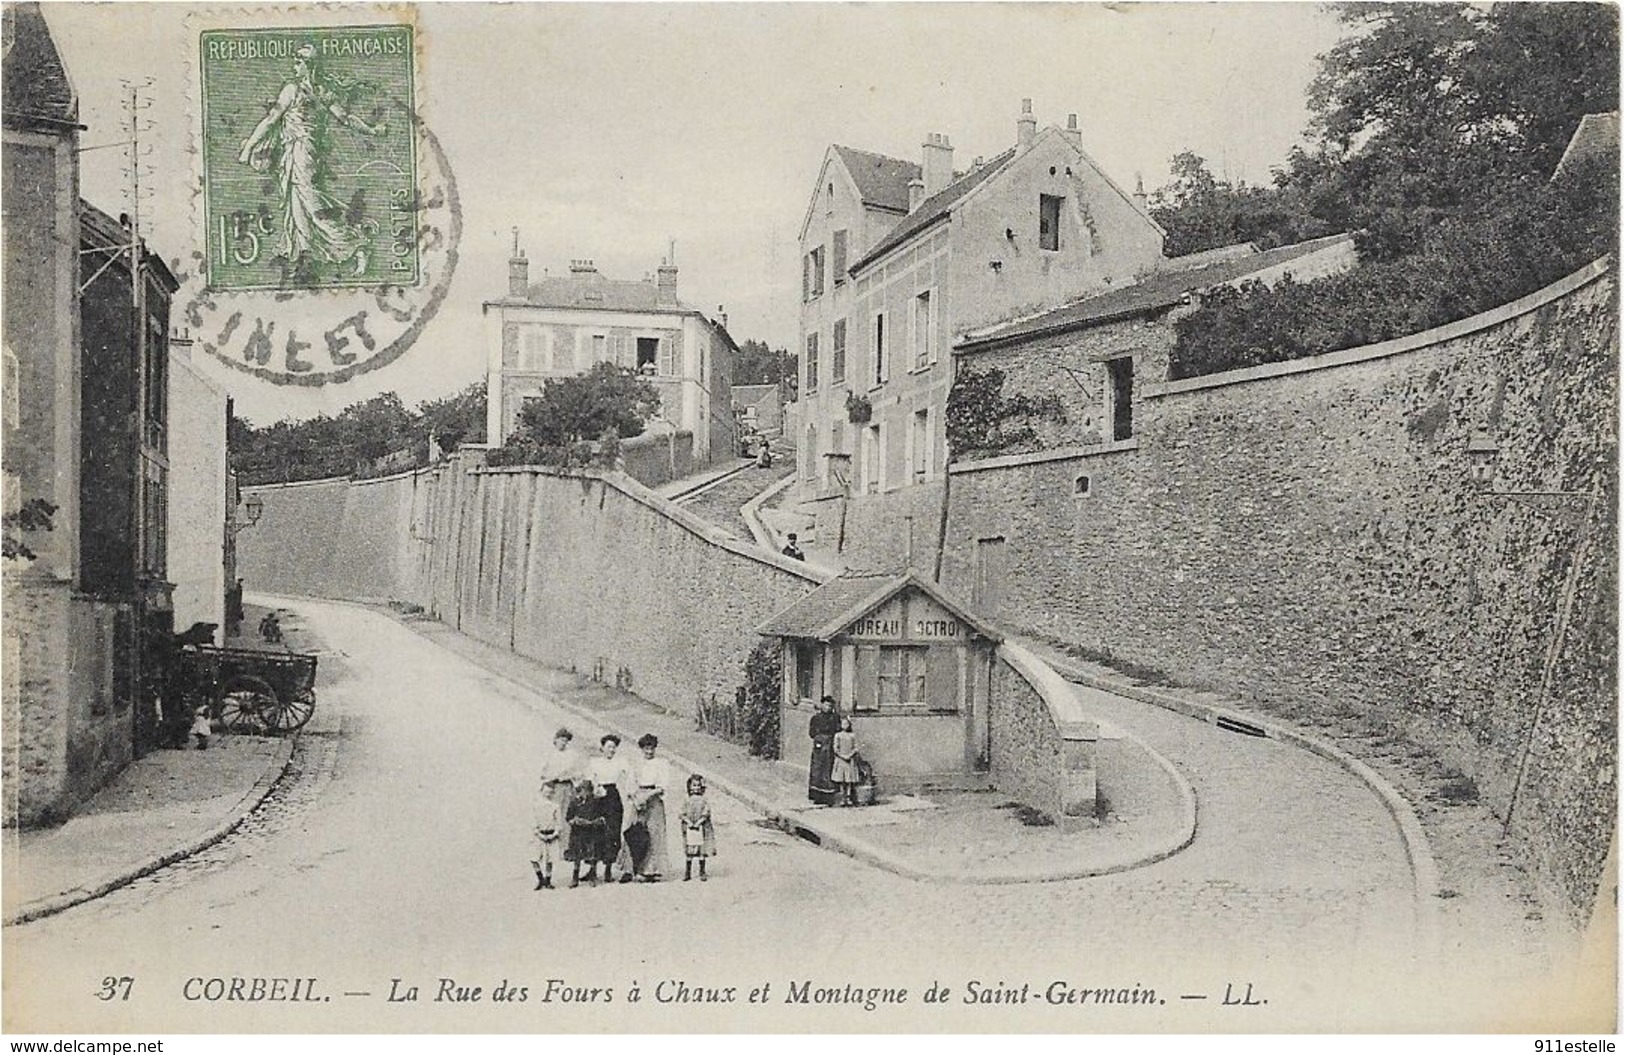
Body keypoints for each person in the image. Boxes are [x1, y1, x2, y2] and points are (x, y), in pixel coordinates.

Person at [235, 43, 387, 277]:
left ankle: (358, 246)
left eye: (299, 60)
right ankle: (305, 258)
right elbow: (346, 118)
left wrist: (248, 149)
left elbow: (270, 120)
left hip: (302, 154)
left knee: (313, 207)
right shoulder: (322, 91)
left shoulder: (292, 90)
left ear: (310, 65)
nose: (294, 64)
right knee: (298, 205)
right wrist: (373, 130)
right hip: (302, 154)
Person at [617, 733, 673, 883]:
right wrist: (636, 799)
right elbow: (630, 784)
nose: (649, 752)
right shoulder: (636, 763)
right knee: (632, 831)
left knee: (654, 833)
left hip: (653, 799)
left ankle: (649, 870)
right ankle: (629, 869)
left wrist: (648, 796)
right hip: (638, 799)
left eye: (652, 749)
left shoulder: (661, 764)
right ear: (641, 749)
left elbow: (662, 786)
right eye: (646, 749)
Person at [585, 733, 629, 883]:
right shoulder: (594, 762)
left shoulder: (620, 762)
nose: (611, 750)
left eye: (614, 747)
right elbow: (589, 779)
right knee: (595, 832)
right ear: (602, 748)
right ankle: (592, 869)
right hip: (597, 797)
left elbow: (629, 777)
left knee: (612, 832)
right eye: (608, 746)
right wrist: (595, 789)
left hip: (612, 797)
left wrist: (632, 794)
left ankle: (608, 869)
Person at [564, 780, 605, 888]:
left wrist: (596, 821)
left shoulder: (597, 802)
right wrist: (574, 821)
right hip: (578, 832)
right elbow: (568, 817)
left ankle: (592, 875)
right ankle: (575, 877)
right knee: (577, 855)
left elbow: (602, 816)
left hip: (592, 831)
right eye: (583, 791)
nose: (585, 793)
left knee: (592, 853)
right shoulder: (574, 802)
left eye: (588, 791)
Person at [537, 727, 582, 816]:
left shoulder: (571, 755)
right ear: (556, 740)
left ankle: (563, 828)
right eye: (562, 740)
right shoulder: (549, 754)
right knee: (553, 810)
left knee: (566, 811)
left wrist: (573, 777)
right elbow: (542, 773)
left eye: (566, 741)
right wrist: (552, 777)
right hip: (554, 786)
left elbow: (576, 772)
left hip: (568, 786)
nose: (563, 743)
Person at [680, 774, 716, 882]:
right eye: (694, 785)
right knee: (690, 850)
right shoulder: (686, 799)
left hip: (701, 827)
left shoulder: (704, 799)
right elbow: (682, 813)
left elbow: (706, 812)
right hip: (690, 827)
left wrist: (700, 822)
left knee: (701, 850)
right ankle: (687, 872)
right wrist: (689, 822)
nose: (696, 788)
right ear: (689, 786)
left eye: (698, 786)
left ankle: (702, 871)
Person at [807, 695, 840, 806]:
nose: (828, 707)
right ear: (821, 705)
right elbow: (811, 733)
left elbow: (838, 730)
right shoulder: (816, 718)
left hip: (830, 745)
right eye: (826, 705)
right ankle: (817, 796)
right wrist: (819, 739)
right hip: (819, 745)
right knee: (817, 769)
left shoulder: (835, 717)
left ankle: (828, 797)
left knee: (828, 769)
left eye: (830, 705)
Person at [531, 790, 563, 890]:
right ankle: (541, 880)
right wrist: (539, 834)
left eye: (550, 792)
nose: (548, 794)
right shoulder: (535, 806)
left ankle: (548, 880)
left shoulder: (555, 806)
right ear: (541, 792)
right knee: (534, 857)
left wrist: (554, 834)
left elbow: (559, 823)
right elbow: (533, 822)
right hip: (539, 836)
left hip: (551, 835)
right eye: (546, 792)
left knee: (550, 859)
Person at [831, 717, 860, 806]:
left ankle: (849, 797)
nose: (845, 726)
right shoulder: (838, 735)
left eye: (847, 724)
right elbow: (835, 748)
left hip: (850, 760)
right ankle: (843, 798)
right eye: (843, 724)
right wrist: (842, 756)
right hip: (841, 760)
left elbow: (856, 747)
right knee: (842, 780)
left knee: (849, 780)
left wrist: (850, 755)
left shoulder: (852, 735)